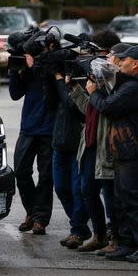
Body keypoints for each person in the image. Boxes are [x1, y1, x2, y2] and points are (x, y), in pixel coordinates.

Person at [88, 45, 138, 263]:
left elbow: (108, 107)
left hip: (135, 151)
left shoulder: (134, 88)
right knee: (121, 201)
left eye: (123, 61)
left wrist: (94, 93)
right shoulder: (129, 84)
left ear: (136, 63)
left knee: (135, 201)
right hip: (123, 151)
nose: (118, 64)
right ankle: (127, 243)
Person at [67, 30, 122, 253]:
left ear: (109, 52)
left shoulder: (116, 75)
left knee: (110, 192)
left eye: (98, 51)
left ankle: (115, 238)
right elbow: (89, 109)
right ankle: (99, 234)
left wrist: (97, 87)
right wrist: (75, 89)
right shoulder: (96, 74)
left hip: (106, 142)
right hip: (89, 140)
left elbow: (107, 107)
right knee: (87, 189)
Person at [8, 36, 58, 235]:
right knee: (20, 171)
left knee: (46, 176)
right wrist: (17, 70)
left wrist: (38, 64)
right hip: (28, 127)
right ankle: (32, 211)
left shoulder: (50, 63)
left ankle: (40, 219)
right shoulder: (24, 67)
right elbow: (14, 94)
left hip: (49, 128)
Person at [52, 69, 91, 249]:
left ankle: (77, 230)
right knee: (61, 188)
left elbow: (71, 104)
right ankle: (80, 226)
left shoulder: (85, 81)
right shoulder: (62, 82)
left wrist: (61, 81)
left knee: (77, 191)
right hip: (59, 142)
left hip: (78, 145)